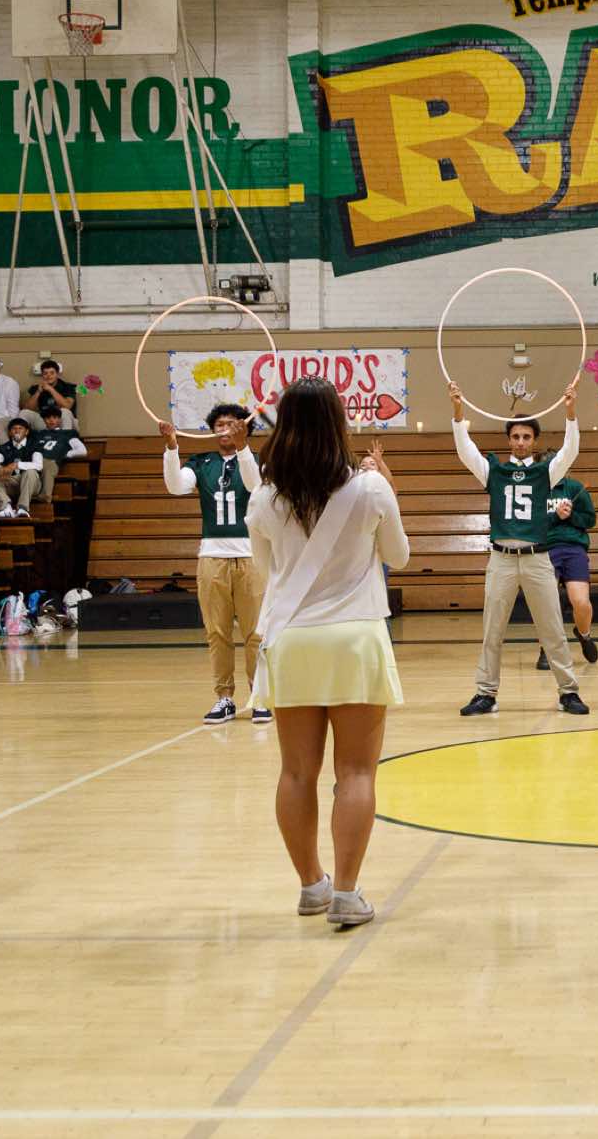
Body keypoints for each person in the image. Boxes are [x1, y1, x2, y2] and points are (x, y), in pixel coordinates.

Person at [246, 377, 410, 928]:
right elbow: (399, 557)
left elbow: (267, 571)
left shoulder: (264, 497)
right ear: (339, 422)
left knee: (296, 773)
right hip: (355, 637)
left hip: (292, 639)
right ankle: (345, 893)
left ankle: (311, 886)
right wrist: (387, 487)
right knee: (356, 772)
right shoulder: (371, 487)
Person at [450, 380, 587, 716]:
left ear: (534, 440)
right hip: (501, 559)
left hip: (538, 558)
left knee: (552, 629)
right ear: (509, 439)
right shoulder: (494, 471)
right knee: (492, 630)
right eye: (516, 436)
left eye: (527, 436)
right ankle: (486, 693)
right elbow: (466, 451)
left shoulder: (545, 472)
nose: (521, 442)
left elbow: (570, 451)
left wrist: (571, 412)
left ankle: (568, 692)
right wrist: (458, 411)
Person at [161, 405, 268, 725]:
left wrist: (243, 447)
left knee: (256, 632)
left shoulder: (258, 459)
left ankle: (260, 696)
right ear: (211, 429)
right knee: (217, 632)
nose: (225, 429)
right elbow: (176, 486)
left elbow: (255, 486)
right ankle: (224, 697)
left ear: (243, 427)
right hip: (211, 556)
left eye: (231, 424)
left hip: (251, 556)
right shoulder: (201, 462)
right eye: (219, 424)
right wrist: (171, 448)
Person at [538, 473, 598, 672]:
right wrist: (556, 516)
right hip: (545, 549)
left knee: (581, 601)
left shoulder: (574, 487)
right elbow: (531, 524)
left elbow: (590, 520)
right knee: (546, 602)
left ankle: (584, 634)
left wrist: (572, 515)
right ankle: (546, 647)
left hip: (574, 549)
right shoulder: (536, 488)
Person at [0, 416, 43, 518]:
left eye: (20, 428)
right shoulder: (4, 447)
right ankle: (6, 508)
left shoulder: (34, 445)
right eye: (14, 428)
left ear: (26, 432)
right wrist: (0, 469)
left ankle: (23, 508)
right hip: (12, 482)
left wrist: (16, 465)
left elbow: (39, 465)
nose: (17, 431)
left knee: (30, 472)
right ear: (9, 432)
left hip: (31, 484)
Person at [22, 359, 78, 432]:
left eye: (52, 373)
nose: (48, 376)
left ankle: (65, 438)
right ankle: (22, 439)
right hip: (45, 421)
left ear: (57, 374)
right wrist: (38, 392)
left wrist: (51, 389)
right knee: (24, 413)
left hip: (63, 421)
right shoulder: (36, 388)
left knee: (64, 411)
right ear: (42, 375)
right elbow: (27, 408)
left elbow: (67, 406)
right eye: (45, 373)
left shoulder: (68, 387)